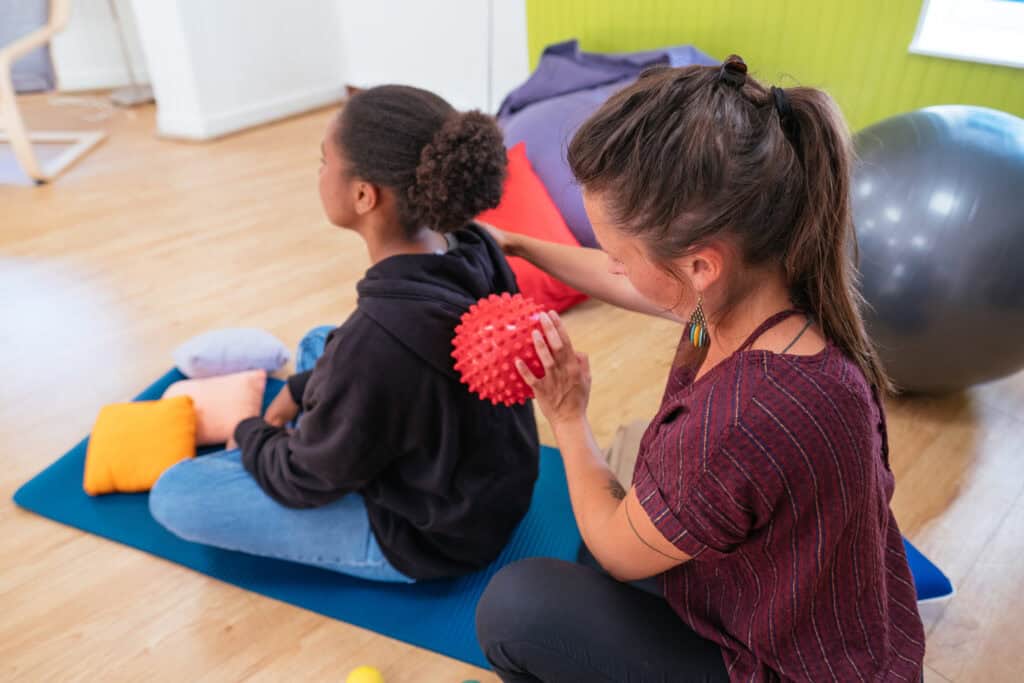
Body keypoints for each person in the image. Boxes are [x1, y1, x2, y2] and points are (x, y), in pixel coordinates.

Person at [475, 56, 925, 681]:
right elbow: (625, 278)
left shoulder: (742, 420)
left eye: (619, 253)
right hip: (813, 620)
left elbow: (616, 550)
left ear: (700, 266)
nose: (615, 267)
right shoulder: (776, 300)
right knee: (602, 530)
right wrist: (518, 243)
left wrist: (568, 414)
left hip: (782, 667)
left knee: (518, 607)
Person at [150, 85, 539, 583]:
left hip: (437, 535)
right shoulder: (471, 241)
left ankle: (330, 436)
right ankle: (331, 417)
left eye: (323, 161)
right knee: (323, 339)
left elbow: (306, 477)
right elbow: (371, 356)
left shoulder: (379, 339)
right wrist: (297, 388)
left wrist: (250, 432)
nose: (318, 174)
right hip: (486, 480)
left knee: (177, 493)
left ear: (363, 194)